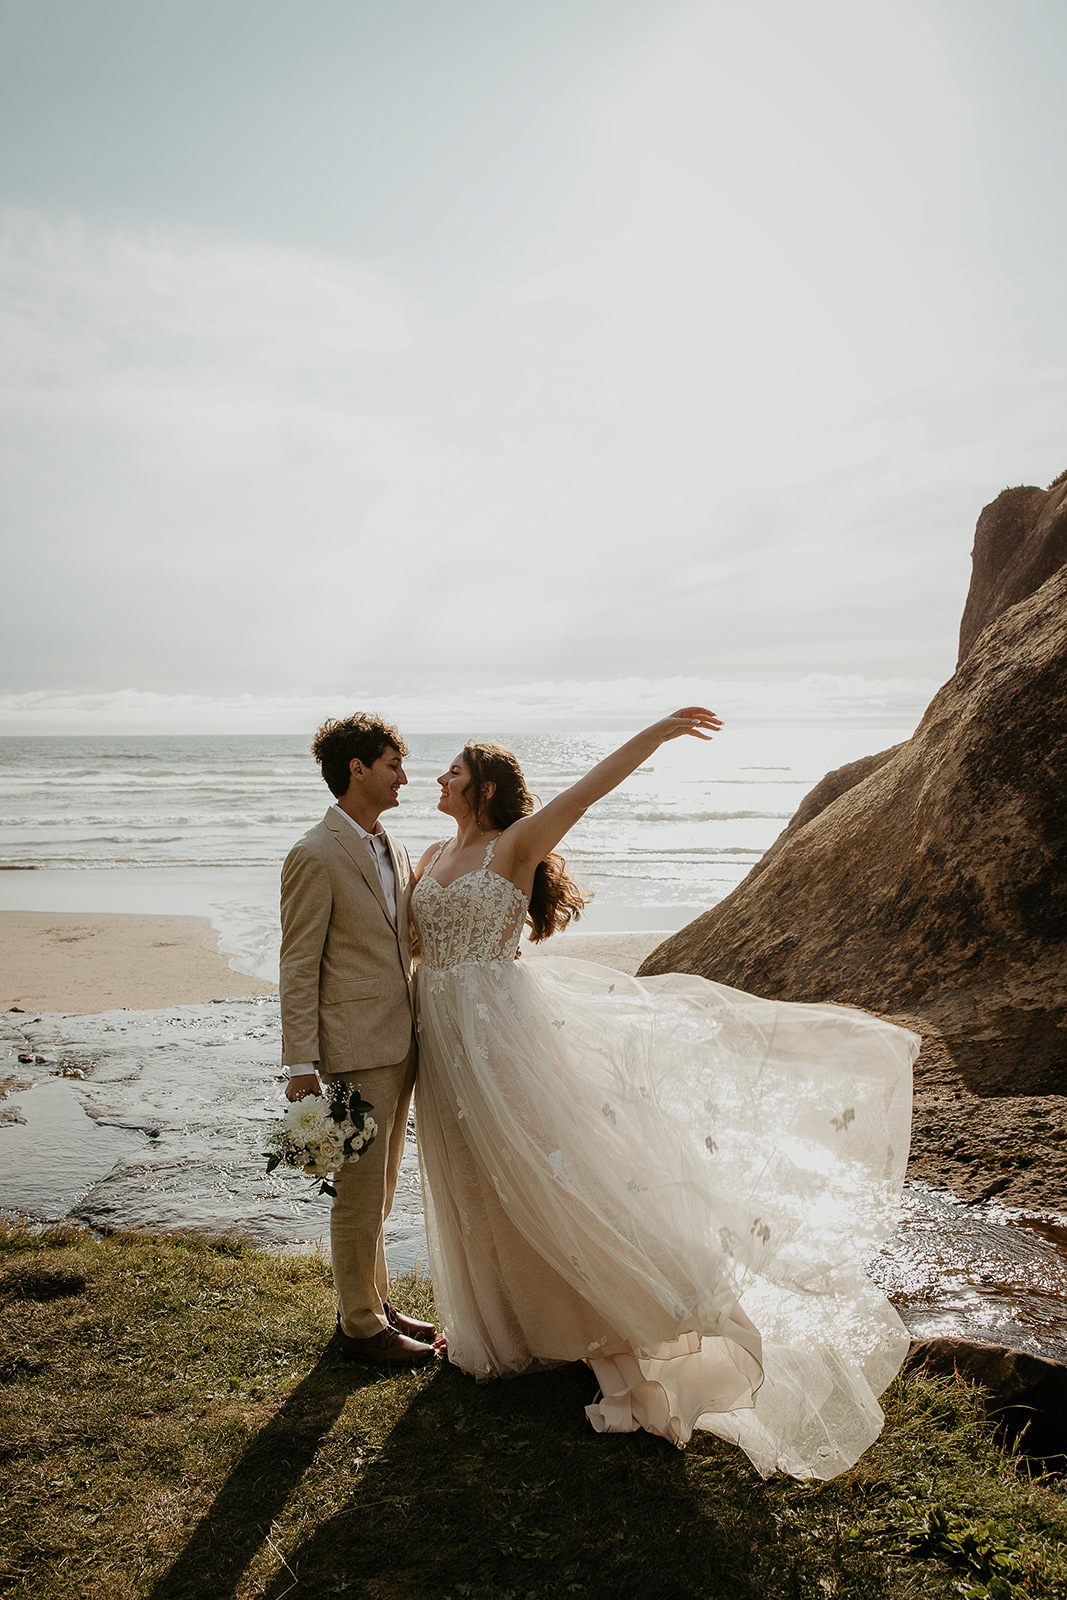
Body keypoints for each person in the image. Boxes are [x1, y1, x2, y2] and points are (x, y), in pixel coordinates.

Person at [411, 709, 919, 1478]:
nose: (438, 779)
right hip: (441, 1038)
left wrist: (654, 734)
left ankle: (620, 1325)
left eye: (451, 770)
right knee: (474, 1182)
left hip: (500, 1040)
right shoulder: (429, 852)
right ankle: (505, 1327)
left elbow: (584, 795)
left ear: (482, 786)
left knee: (547, 1176)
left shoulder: (512, 846)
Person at [280, 713, 439, 1367]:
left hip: (398, 1043)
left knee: (380, 1186)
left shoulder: (392, 846)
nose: (405, 776)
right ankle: (358, 1327)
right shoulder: (314, 853)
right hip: (349, 1049)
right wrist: (300, 1063)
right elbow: (297, 963)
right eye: (394, 764)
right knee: (355, 1190)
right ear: (358, 769)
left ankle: (376, 1303)